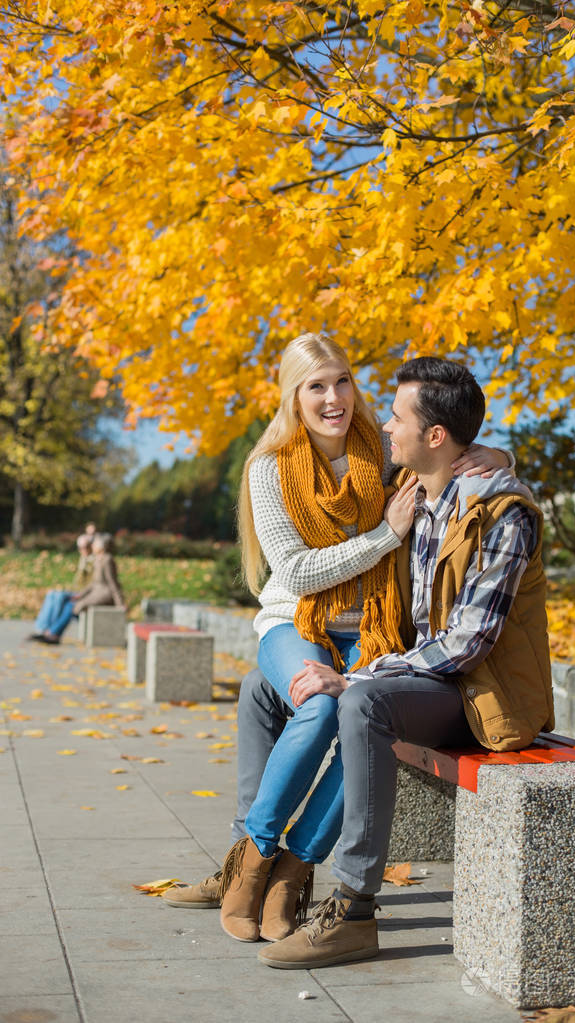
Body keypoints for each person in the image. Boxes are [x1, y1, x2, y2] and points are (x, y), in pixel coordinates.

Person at [161, 334, 510, 942]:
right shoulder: (268, 468)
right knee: (319, 704)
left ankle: (295, 867)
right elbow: (293, 571)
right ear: (293, 395)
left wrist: (500, 455)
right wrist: (386, 534)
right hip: (293, 620)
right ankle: (254, 858)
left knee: (365, 718)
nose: (333, 398)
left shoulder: (381, 451)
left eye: (342, 381)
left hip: (374, 626)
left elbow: (444, 451)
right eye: (316, 385)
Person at [257, 356, 554, 970]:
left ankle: (354, 908)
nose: (385, 428)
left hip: (485, 695)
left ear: (436, 436)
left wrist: (358, 673)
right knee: (270, 689)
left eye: (396, 418)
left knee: (362, 701)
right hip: (431, 681)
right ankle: (254, 861)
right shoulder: (416, 494)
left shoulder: (504, 515)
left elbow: (469, 641)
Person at [33, 533, 125, 644]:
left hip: (104, 595)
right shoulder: (99, 559)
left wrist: (120, 603)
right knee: (70, 604)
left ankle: (53, 633)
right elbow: (93, 583)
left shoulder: (107, 560)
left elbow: (112, 583)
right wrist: (80, 595)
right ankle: (53, 633)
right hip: (96, 593)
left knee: (73, 606)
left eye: (95, 543)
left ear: (102, 546)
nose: (93, 546)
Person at [29, 532, 94, 641]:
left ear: (91, 547)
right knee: (52, 594)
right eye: (80, 548)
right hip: (77, 591)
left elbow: (94, 584)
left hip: (84, 594)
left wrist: (80, 594)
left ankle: (48, 630)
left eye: (85, 547)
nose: (83, 550)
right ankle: (41, 628)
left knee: (60, 597)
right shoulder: (84, 560)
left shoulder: (94, 561)